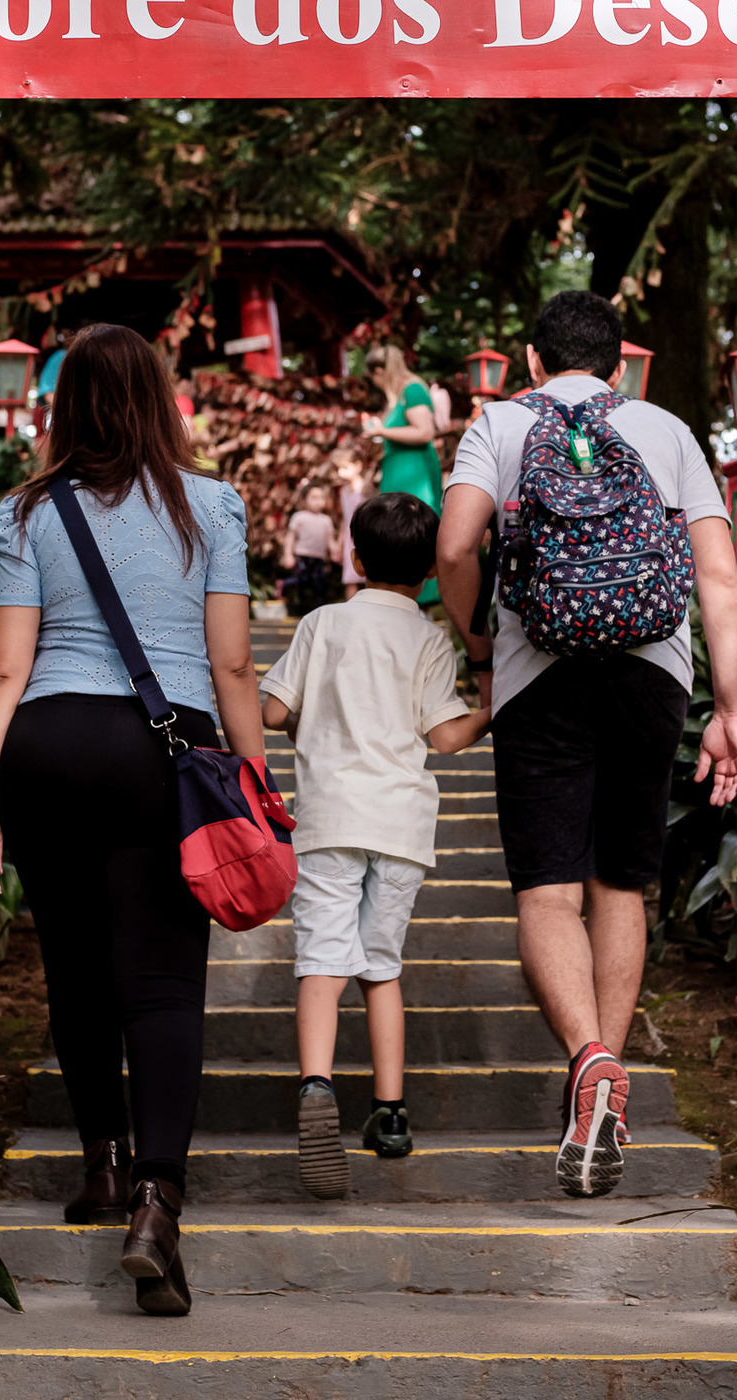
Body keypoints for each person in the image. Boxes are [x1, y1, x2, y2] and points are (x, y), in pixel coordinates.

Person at [0, 322, 263, 1317]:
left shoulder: (25, 511)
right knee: (164, 988)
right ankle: (156, 1199)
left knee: (79, 972)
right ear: (162, 398)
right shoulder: (212, 506)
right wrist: (253, 777)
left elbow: (6, 666)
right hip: (158, 753)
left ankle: (97, 1164)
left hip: (47, 747)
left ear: (63, 404)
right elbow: (231, 663)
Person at [436, 291, 737, 1200]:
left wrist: (481, 642)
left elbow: (457, 547)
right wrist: (728, 712)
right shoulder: (668, 429)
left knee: (546, 891)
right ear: (620, 366)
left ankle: (589, 1059)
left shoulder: (499, 424)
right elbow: (719, 580)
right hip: (654, 675)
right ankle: (606, 1094)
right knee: (622, 881)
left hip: (542, 675)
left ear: (533, 359)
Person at [259, 492, 491, 1199]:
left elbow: (272, 710)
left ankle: (317, 1087)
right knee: (381, 966)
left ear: (353, 560)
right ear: (427, 576)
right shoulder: (427, 639)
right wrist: (491, 706)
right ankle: (390, 1116)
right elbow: (444, 735)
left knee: (322, 964)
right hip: (400, 828)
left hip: (330, 821)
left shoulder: (322, 623)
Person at [361, 344, 442, 605]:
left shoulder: (413, 389)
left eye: (373, 376)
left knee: (413, 531)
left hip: (414, 472)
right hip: (398, 469)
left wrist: (381, 432)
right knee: (396, 533)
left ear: (381, 371)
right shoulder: (397, 396)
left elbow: (425, 431)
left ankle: (426, 596)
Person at [282, 482, 339, 614]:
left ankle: (318, 612)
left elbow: (330, 539)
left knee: (320, 586)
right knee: (301, 583)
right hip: (302, 557)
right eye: (314, 497)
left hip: (319, 559)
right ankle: (298, 610)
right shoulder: (299, 517)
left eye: (321, 498)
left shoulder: (326, 520)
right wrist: (288, 555)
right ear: (304, 500)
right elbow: (291, 537)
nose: (318, 501)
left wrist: (335, 551)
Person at [335, 453, 369, 599]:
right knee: (350, 579)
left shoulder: (365, 489)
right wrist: (339, 543)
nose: (341, 472)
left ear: (358, 466)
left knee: (369, 576)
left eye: (345, 468)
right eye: (338, 468)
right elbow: (345, 519)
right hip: (350, 539)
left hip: (366, 536)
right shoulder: (343, 492)